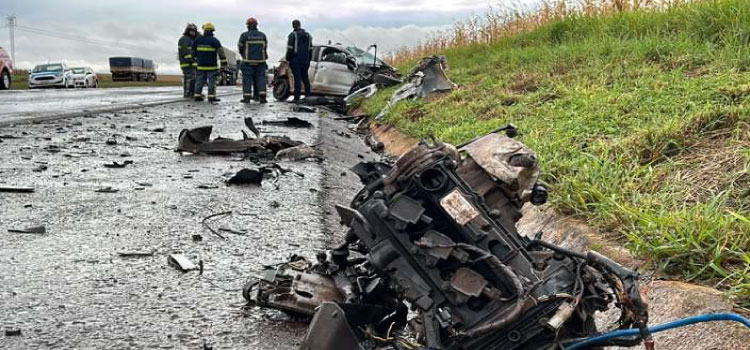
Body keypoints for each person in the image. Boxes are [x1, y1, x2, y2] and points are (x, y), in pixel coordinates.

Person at [193, 22, 227, 102]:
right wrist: (223, 63)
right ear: (212, 31)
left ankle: (197, 95)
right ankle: (211, 96)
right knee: (212, 81)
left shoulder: (198, 40)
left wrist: (194, 63)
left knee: (199, 80)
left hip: (200, 65)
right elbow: (221, 53)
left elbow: (193, 52)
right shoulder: (215, 41)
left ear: (204, 30)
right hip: (211, 66)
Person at [238, 17, 268, 104]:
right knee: (261, 79)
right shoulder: (262, 35)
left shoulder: (244, 35)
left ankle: (247, 98)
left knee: (247, 79)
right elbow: (265, 47)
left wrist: (244, 55)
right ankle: (262, 97)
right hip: (260, 62)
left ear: (248, 26)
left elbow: (240, 47)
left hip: (248, 62)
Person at [286, 19, 312, 103]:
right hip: (305, 60)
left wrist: (288, 58)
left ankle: (297, 98)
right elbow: (310, 49)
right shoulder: (308, 35)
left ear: (293, 25)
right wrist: (309, 59)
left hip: (295, 60)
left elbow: (290, 49)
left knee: (297, 79)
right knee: (305, 79)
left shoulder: (292, 35)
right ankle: (308, 97)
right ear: (300, 25)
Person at [178, 23, 198, 98]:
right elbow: (186, 52)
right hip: (187, 63)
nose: (193, 32)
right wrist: (191, 60)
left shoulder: (191, 39)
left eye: (194, 31)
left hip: (191, 63)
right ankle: (187, 93)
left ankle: (191, 93)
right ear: (188, 31)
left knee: (193, 79)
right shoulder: (184, 39)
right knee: (189, 79)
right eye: (191, 31)